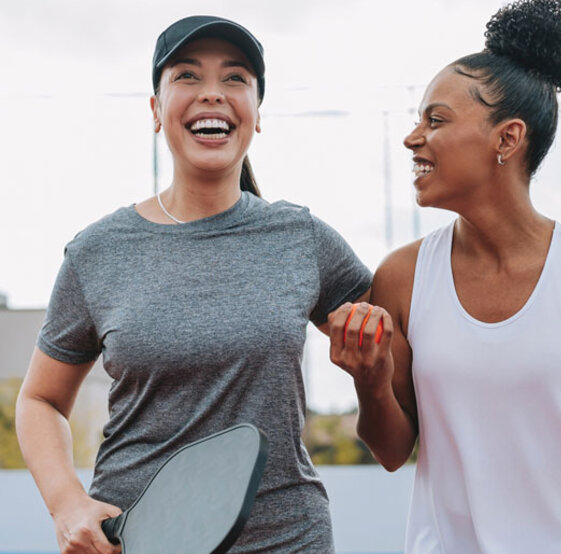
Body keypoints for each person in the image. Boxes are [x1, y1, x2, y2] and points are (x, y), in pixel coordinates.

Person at [16, 16, 372, 553]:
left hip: (287, 538)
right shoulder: (97, 252)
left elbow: (402, 337)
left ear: (257, 113)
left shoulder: (301, 237)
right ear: (156, 111)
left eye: (235, 79)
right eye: (187, 76)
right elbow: (40, 400)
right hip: (134, 540)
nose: (212, 94)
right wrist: (67, 503)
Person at [328, 0, 561, 551]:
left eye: (435, 120)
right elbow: (390, 451)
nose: (413, 138)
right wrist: (369, 377)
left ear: (507, 139)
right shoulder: (403, 277)